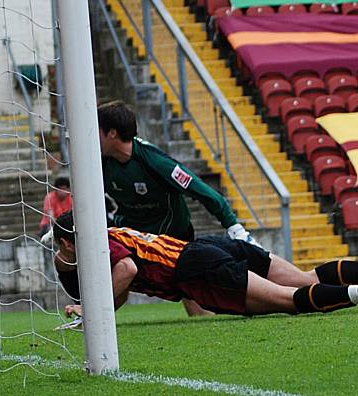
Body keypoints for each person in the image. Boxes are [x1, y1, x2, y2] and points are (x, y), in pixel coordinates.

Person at [52, 212, 358, 319]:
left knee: (290, 299)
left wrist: (89, 306)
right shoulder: (112, 231)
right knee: (304, 277)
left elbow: (127, 272)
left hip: (197, 270)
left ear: (69, 240)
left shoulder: (104, 246)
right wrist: (98, 312)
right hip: (207, 248)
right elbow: (122, 290)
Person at [97, 100, 259, 315]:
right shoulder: (101, 164)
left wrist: (235, 229)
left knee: (198, 305)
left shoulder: (155, 162)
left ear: (112, 133)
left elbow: (204, 192)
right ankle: (92, 319)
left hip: (174, 242)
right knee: (118, 279)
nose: (92, 137)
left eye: (96, 130)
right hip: (136, 238)